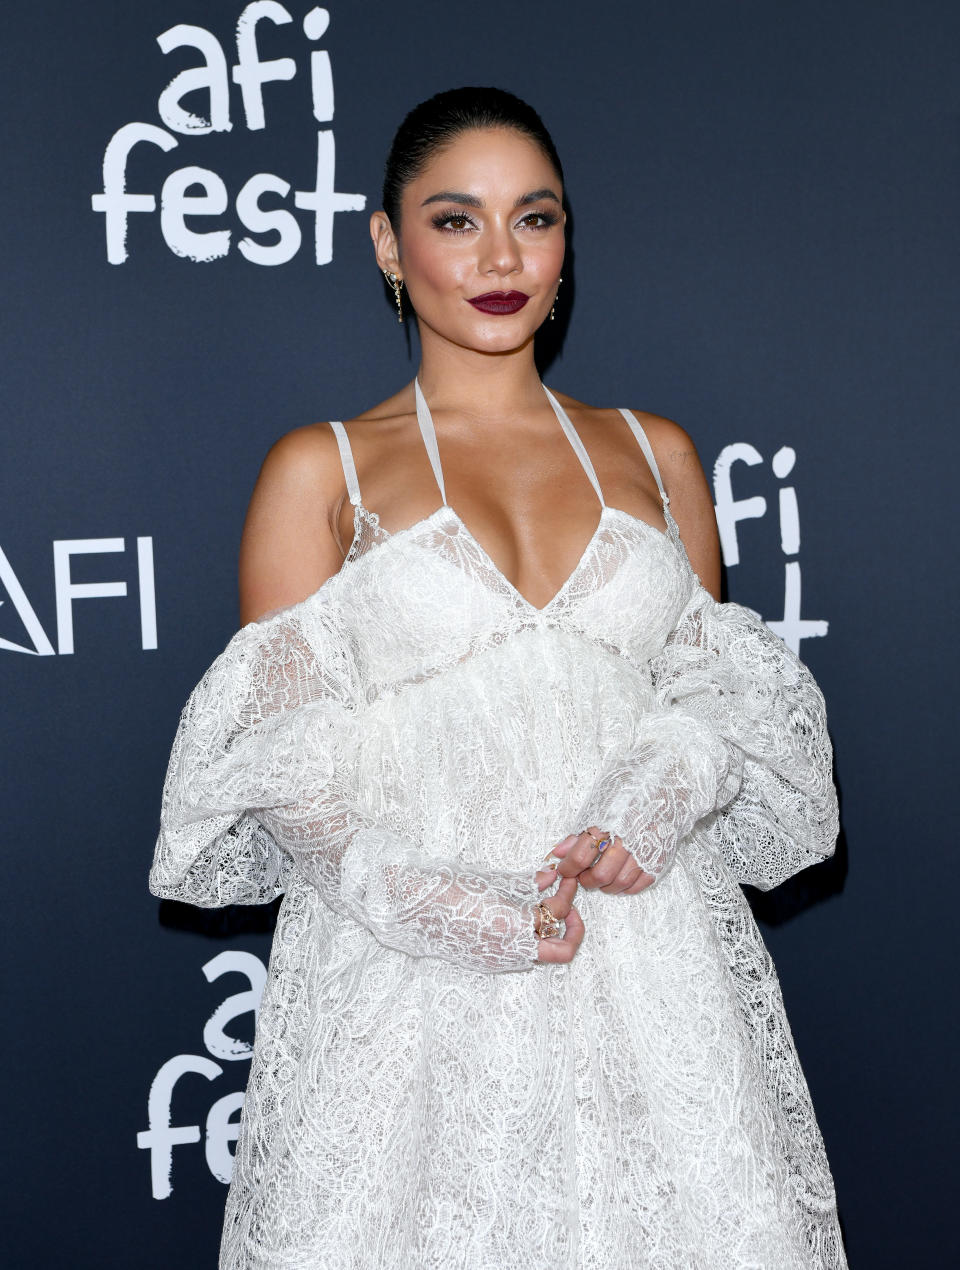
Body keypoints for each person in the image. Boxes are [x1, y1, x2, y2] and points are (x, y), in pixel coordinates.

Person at [149, 86, 847, 1269]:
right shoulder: (321, 468)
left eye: (535, 217)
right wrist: (440, 905)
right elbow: (276, 763)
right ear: (387, 242)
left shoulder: (655, 452)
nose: (502, 256)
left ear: (568, 241)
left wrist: (673, 778)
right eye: (456, 219)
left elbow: (728, 695)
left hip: (648, 972)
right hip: (412, 997)